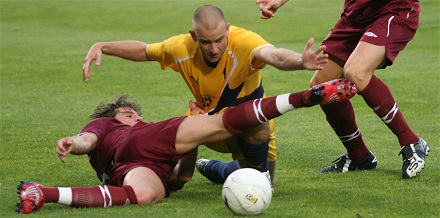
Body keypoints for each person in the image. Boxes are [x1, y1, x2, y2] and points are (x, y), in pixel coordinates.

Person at [16, 79, 357, 214]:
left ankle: (42, 193)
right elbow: (86, 140)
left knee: (149, 195)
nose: (135, 113)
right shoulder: (109, 124)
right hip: (137, 153)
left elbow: (181, 178)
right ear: (124, 113)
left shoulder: (140, 129)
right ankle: (303, 98)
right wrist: (72, 142)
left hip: (137, 168)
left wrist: (194, 139)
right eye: (131, 112)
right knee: (225, 121)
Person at [82, 5, 329, 186]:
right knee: (255, 177)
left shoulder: (244, 42)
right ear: (193, 36)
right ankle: (237, 173)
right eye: (206, 42)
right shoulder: (180, 47)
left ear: (228, 31)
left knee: (255, 159)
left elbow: (274, 55)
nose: (214, 49)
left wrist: (300, 61)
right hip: (207, 126)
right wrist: (103, 46)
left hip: (254, 130)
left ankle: (216, 169)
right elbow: (145, 51)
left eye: (220, 40)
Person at [256, 0, 429, 179]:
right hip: (355, 13)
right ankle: (359, 156)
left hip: (392, 9)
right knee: (322, 84)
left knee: (356, 72)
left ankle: (411, 141)